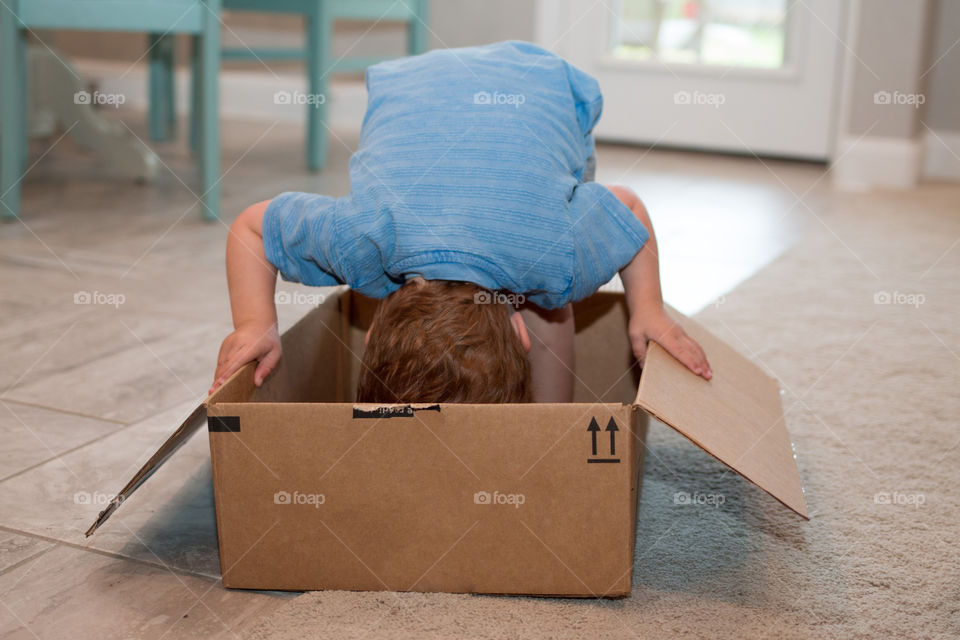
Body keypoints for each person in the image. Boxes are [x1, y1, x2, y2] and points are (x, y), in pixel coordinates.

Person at [210, 41, 711, 402]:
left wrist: (648, 312)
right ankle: (544, 429)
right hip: (414, 84)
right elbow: (251, 229)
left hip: (542, 83)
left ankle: (546, 433)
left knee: (549, 299)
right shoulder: (360, 240)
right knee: (541, 291)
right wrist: (256, 325)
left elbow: (627, 209)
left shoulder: (558, 257)